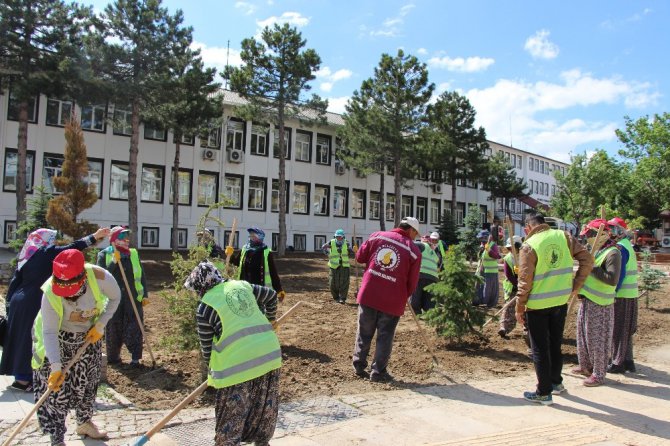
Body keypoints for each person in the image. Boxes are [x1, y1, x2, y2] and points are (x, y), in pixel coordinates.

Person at [1, 227, 110, 392]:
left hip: (18, 301)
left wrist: (9, 303)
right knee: (32, 338)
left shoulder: (27, 255)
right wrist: (94, 237)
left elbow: (15, 280)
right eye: (52, 239)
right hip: (34, 301)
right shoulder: (46, 253)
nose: (53, 242)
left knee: (18, 338)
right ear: (46, 240)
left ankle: (19, 378)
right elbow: (72, 248)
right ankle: (26, 378)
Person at [185, 261, 281, 446]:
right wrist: (270, 320)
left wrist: (212, 371)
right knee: (263, 410)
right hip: (269, 354)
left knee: (230, 422)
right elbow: (271, 295)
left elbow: (207, 350)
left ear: (200, 286)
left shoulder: (204, 308)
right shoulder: (242, 285)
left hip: (237, 367)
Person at [32, 249, 121, 446]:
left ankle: (84, 423)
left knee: (88, 383)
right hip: (59, 338)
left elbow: (115, 297)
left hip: (89, 336)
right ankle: (57, 439)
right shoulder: (49, 292)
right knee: (58, 392)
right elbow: (49, 332)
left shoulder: (100, 277)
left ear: (81, 279)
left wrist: (101, 323)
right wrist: (56, 367)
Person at [515, 213, 593, 405]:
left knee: (539, 348)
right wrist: (576, 285)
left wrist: (519, 307)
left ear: (528, 227)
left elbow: (524, 281)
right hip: (560, 301)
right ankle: (556, 383)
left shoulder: (529, 245)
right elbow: (588, 260)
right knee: (555, 343)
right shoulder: (564, 236)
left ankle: (543, 392)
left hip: (537, 305)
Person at [352, 217, 421, 382]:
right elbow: (412, 283)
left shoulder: (377, 236)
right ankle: (378, 372)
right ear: (411, 230)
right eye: (416, 233)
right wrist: (405, 296)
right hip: (392, 300)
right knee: (385, 335)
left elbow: (360, 257)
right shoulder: (413, 251)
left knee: (364, 332)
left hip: (369, 294)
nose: (415, 237)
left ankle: (359, 365)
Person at [574, 219, 622, 387]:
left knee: (598, 340)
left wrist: (592, 267)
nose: (588, 238)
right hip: (588, 300)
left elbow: (612, 279)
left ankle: (599, 374)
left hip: (600, 303)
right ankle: (586, 366)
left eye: (590, 235)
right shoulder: (597, 251)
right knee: (583, 336)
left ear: (602, 235)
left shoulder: (612, 253)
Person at [96, 226, 149, 367]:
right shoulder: (104, 255)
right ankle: (113, 358)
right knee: (114, 328)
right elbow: (101, 276)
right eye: (122, 237)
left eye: (127, 237)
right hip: (113, 300)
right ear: (114, 239)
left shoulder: (133, 254)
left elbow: (141, 275)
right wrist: (114, 262)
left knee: (134, 327)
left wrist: (145, 294)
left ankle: (135, 358)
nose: (126, 240)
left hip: (133, 299)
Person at [607, 217, 639, 374]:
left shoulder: (620, 248)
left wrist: (613, 291)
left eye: (612, 229)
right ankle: (628, 361)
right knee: (625, 329)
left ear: (619, 231)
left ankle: (617, 363)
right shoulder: (627, 245)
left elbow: (620, 274)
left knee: (619, 329)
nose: (610, 232)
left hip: (622, 294)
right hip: (631, 294)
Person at [231, 227, 286, 302]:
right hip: (244, 286)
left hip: (259, 288)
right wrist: (230, 254)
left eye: (253, 236)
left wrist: (279, 289)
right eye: (250, 236)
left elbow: (273, 272)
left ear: (260, 237)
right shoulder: (245, 249)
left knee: (258, 308)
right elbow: (236, 263)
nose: (251, 238)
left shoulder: (266, 252)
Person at [321, 228, 355, 304]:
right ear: (335, 236)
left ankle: (342, 298)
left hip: (344, 266)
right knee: (333, 282)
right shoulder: (331, 242)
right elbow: (323, 247)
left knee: (344, 283)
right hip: (334, 266)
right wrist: (328, 254)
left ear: (343, 237)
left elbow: (351, 252)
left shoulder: (347, 243)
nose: (338, 238)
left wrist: (354, 250)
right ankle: (336, 297)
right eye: (337, 236)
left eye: (340, 236)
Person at [498, 235, 523, 338]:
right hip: (512, 286)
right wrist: (517, 284)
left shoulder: (524, 255)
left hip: (525, 285)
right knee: (508, 308)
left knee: (526, 308)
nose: (510, 250)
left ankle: (528, 329)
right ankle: (503, 327)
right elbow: (508, 274)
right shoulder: (508, 258)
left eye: (512, 247)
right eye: (509, 248)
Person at [410, 234, 439, 314]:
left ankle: (417, 313)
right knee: (429, 298)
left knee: (416, 295)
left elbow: (409, 244)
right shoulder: (433, 251)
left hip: (421, 274)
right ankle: (428, 314)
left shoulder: (422, 245)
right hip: (433, 277)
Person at [474, 230, 501, 308]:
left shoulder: (493, 245)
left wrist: (489, 250)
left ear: (486, 237)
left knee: (489, 289)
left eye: (482, 238)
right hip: (481, 270)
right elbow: (480, 257)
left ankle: (489, 303)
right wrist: (481, 250)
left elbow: (497, 256)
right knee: (478, 286)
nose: (481, 240)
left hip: (491, 271)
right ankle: (477, 301)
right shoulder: (482, 245)